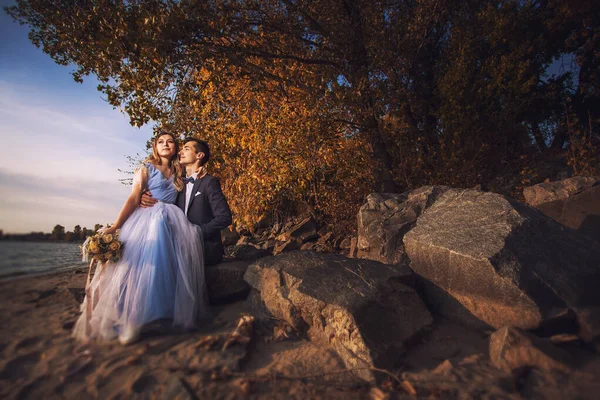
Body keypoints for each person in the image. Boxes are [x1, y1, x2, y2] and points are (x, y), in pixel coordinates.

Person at [72, 132, 208, 345]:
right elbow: (135, 196)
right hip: (146, 220)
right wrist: (116, 226)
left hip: (171, 221)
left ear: (175, 148)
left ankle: (155, 315)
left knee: (162, 264)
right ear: (155, 147)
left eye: (170, 141)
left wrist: (199, 172)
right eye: (160, 142)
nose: (165, 144)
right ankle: (130, 320)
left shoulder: (178, 171)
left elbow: (194, 176)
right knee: (135, 268)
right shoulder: (146, 169)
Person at [141, 138, 232, 265]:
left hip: (203, 247)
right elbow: (162, 200)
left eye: (186, 148)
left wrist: (197, 233)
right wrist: (143, 196)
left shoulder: (209, 182)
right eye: (181, 149)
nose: (180, 152)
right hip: (177, 245)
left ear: (199, 155)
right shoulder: (178, 184)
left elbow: (225, 217)